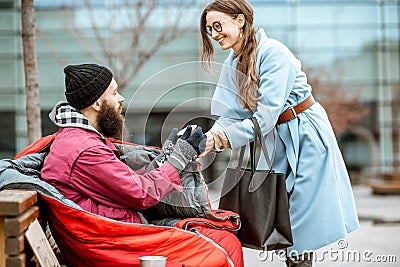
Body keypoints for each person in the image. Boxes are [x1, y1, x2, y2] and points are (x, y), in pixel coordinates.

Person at [199, 0, 359, 266]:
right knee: (283, 215)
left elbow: (265, 116)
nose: (214, 34)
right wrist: (208, 139)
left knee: (299, 219)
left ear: (240, 21)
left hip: (305, 134)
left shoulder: (273, 53)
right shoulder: (233, 62)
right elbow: (229, 114)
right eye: (209, 29)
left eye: (218, 26)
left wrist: (221, 139)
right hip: (277, 139)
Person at [41, 63, 206, 223]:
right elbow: (141, 193)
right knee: (219, 237)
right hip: (118, 236)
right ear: (97, 103)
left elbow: (128, 182)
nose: (121, 98)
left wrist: (166, 157)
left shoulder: (79, 140)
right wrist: (181, 155)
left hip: (118, 226)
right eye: (114, 93)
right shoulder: (85, 149)